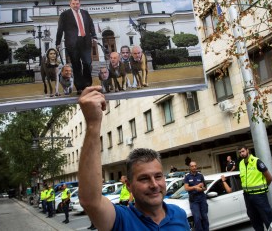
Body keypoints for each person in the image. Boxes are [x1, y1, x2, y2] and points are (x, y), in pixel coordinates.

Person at [77, 86, 189, 230]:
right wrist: (93, 123)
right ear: (129, 185)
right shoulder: (121, 220)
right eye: (144, 178)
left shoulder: (179, 214)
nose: (154, 185)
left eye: (158, 176)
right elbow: (90, 201)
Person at [55, 0, 97, 94]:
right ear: (70, 4)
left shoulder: (85, 13)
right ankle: (79, 87)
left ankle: (87, 85)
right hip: (72, 43)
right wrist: (57, 43)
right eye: (73, 3)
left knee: (87, 63)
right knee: (76, 65)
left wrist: (94, 36)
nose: (75, 5)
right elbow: (60, 29)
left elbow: (91, 25)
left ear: (80, 4)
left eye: (77, 3)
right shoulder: (64, 15)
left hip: (85, 41)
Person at [239, 145, 272, 231]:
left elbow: (269, 178)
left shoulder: (256, 161)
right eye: (240, 152)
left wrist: (264, 188)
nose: (241, 154)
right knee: (254, 218)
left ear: (247, 150)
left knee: (267, 217)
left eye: (243, 151)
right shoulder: (241, 163)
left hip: (259, 195)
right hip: (247, 195)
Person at [184, 161, 209, 231]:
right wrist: (196, 187)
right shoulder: (187, 176)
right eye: (192, 166)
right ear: (189, 167)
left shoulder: (200, 175)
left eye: (195, 166)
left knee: (205, 217)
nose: (194, 167)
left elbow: (205, 188)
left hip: (202, 198)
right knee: (197, 218)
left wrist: (201, 189)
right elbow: (186, 188)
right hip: (193, 200)